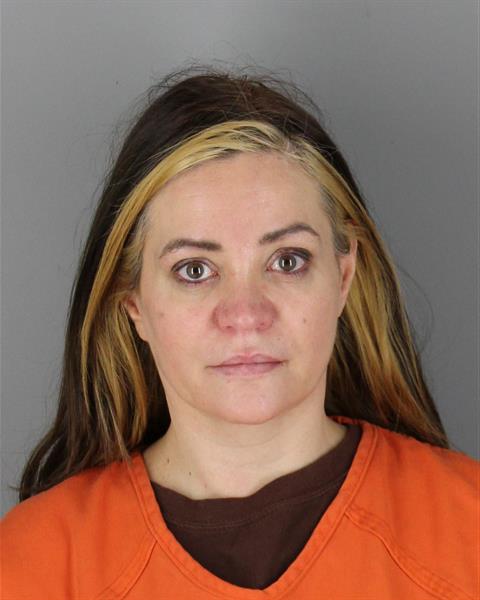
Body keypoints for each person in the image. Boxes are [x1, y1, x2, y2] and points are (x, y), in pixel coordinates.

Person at [1, 66, 478, 599]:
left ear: (343, 278)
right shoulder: (30, 566)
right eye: (194, 270)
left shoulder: (470, 529)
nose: (246, 314)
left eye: (287, 260)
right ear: (134, 301)